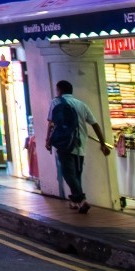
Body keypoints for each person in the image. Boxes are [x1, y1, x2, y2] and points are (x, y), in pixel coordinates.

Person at [46, 79, 110, 214]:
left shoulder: (56, 102)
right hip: (80, 144)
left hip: (64, 143)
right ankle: (75, 202)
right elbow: (95, 124)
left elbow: (51, 123)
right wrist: (103, 143)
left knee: (68, 173)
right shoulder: (81, 105)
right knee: (76, 174)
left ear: (60, 90)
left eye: (57, 90)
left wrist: (48, 140)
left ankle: (81, 200)